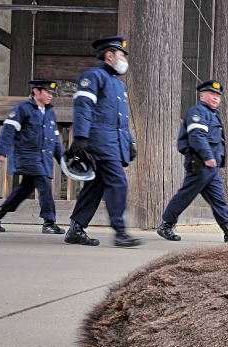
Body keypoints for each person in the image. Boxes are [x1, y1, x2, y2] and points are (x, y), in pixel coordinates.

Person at [63, 36, 142, 247]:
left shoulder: (117, 84)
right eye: (121, 54)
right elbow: (83, 108)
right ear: (109, 55)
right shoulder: (93, 77)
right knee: (118, 183)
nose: (124, 58)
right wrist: (80, 137)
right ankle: (120, 232)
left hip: (113, 142)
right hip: (100, 142)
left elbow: (120, 120)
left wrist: (129, 142)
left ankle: (76, 229)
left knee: (95, 185)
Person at [157, 80, 228, 243]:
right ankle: (166, 225)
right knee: (186, 195)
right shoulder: (198, 112)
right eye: (212, 94)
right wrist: (208, 156)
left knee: (218, 198)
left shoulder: (213, 114)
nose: (215, 98)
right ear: (202, 95)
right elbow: (197, 136)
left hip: (210, 167)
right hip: (200, 163)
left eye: (217, 95)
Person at [0, 80, 65, 234]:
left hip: (43, 158)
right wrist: (1, 151)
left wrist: (62, 159)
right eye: (47, 92)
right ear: (36, 92)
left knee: (24, 189)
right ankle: (49, 222)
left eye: (52, 93)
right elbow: (9, 129)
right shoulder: (23, 109)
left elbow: (54, 139)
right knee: (44, 185)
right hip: (27, 156)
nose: (50, 96)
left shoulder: (49, 112)